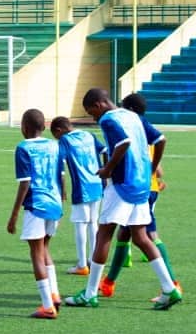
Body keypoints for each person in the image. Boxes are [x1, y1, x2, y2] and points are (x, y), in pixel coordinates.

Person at [64, 88, 182, 311]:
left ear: (99, 104)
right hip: (142, 185)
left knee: (104, 234)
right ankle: (169, 288)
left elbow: (123, 142)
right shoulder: (133, 116)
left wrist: (108, 169)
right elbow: (161, 139)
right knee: (141, 237)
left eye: (91, 112)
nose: (94, 118)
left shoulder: (109, 120)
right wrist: (152, 168)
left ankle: (90, 294)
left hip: (121, 185)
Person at [100, 92, 179, 301]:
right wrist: (156, 174)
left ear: (131, 110)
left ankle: (172, 283)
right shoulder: (142, 127)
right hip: (146, 187)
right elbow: (157, 164)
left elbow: (147, 156)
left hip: (139, 189)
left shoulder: (134, 128)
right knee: (125, 234)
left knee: (148, 235)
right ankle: (109, 282)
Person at [7, 109, 64, 319]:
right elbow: (61, 176)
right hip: (54, 203)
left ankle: (47, 306)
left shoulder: (23, 148)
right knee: (45, 248)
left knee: (36, 253)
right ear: (44, 126)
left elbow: (25, 183)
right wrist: (62, 201)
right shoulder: (55, 145)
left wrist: (14, 215)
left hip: (36, 205)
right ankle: (55, 294)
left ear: (24, 127)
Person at [50, 115, 106, 277]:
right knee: (93, 223)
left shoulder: (65, 141)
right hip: (97, 183)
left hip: (82, 187)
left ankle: (82, 265)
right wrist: (105, 171)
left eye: (55, 135)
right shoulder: (89, 134)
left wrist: (62, 190)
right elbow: (104, 150)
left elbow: (60, 168)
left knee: (80, 224)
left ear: (59, 130)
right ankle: (93, 260)